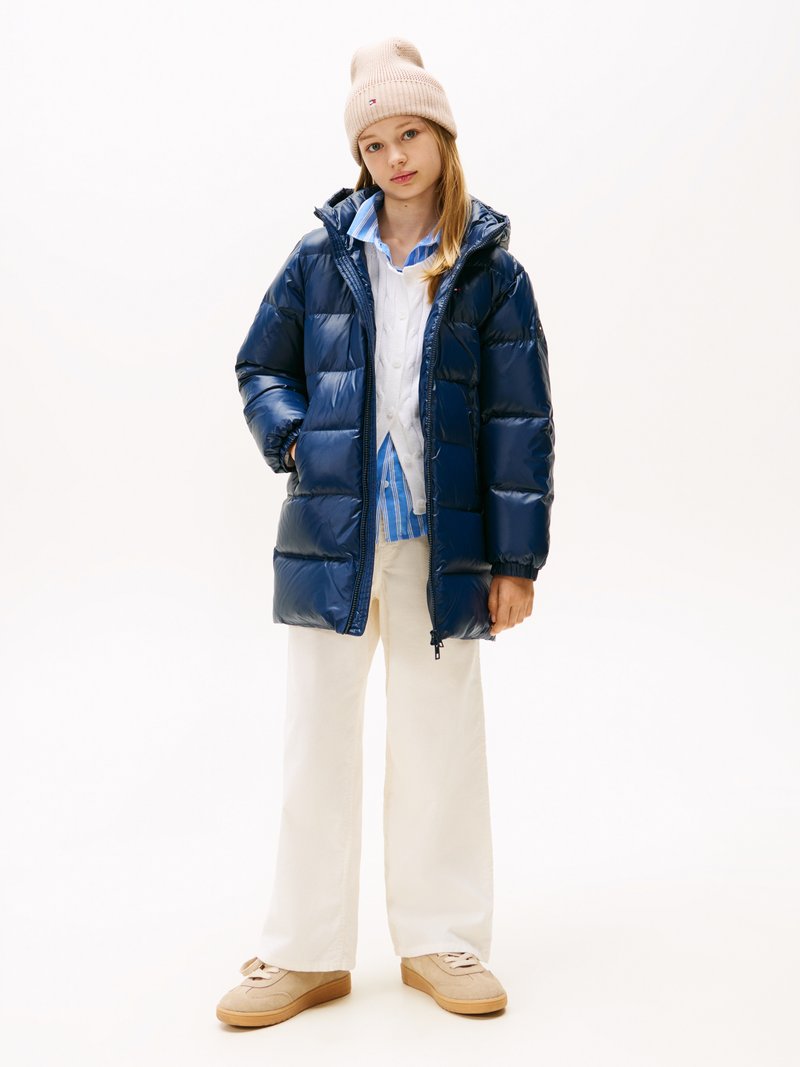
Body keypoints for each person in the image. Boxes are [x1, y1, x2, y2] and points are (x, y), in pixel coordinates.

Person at [216, 36, 555, 1028]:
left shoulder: (492, 275)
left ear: (442, 138)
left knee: (439, 735)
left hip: (444, 545)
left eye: (410, 134)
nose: (395, 157)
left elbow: (520, 422)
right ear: (358, 156)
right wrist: (297, 440)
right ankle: (303, 951)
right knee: (316, 739)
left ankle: (441, 937)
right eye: (374, 143)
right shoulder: (321, 259)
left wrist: (516, 559)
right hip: (333, 536)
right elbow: (260, 365)